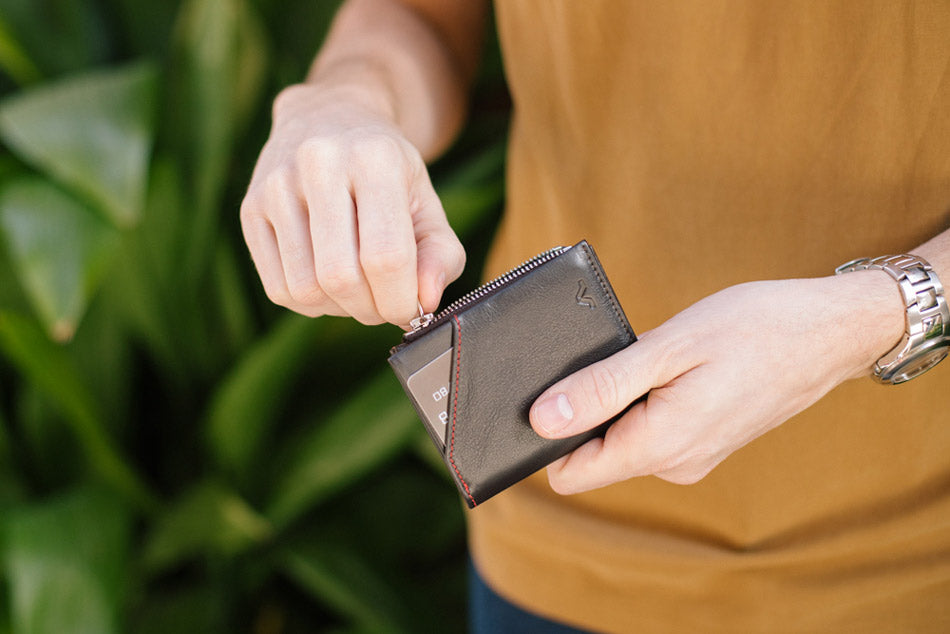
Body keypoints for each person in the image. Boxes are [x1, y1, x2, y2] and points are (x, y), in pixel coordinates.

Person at [241, 1, 950, 631]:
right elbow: (419, 17)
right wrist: (341, 100)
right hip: (553, 553)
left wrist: (874, 317)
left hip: (909, 567)